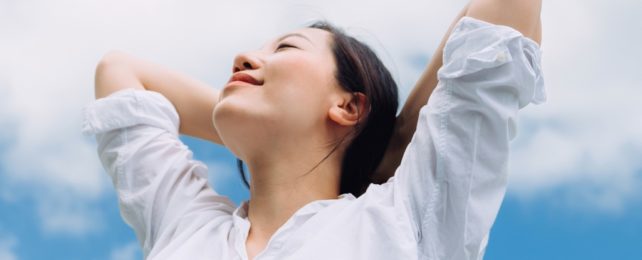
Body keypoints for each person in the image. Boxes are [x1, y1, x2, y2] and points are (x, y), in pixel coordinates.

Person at [83, 0, 545, 259]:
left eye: (285, 47)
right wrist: (268, 136)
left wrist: (398, 137)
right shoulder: (185, 223)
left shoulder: (410, 217)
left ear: (348, 106)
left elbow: (502, 17)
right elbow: (119, 71)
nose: (243, 58)